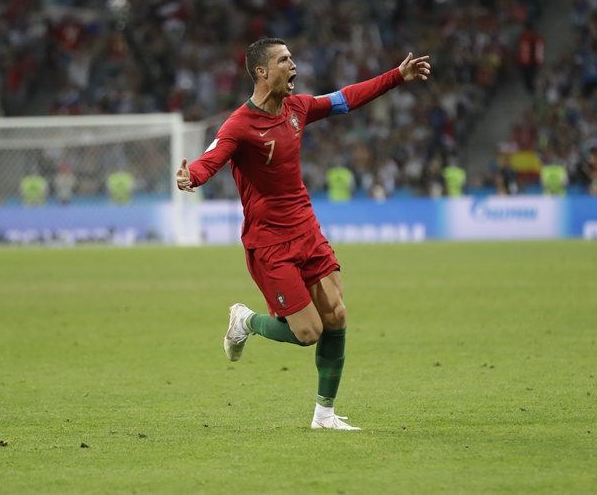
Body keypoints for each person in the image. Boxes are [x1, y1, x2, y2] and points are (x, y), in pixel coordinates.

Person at [175, 38, 431, 430]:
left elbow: (347, 98)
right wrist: (191, 175)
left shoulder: (297, 108)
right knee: (309, 331)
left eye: (292, 58)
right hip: (269, 243)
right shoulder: (239, 124)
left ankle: (324, 415)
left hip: (307, 230)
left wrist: (397, 76)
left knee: (337, 315)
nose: (293, 65)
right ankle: (245, 321)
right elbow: (212, 158)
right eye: (284, 60)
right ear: (262, 72)